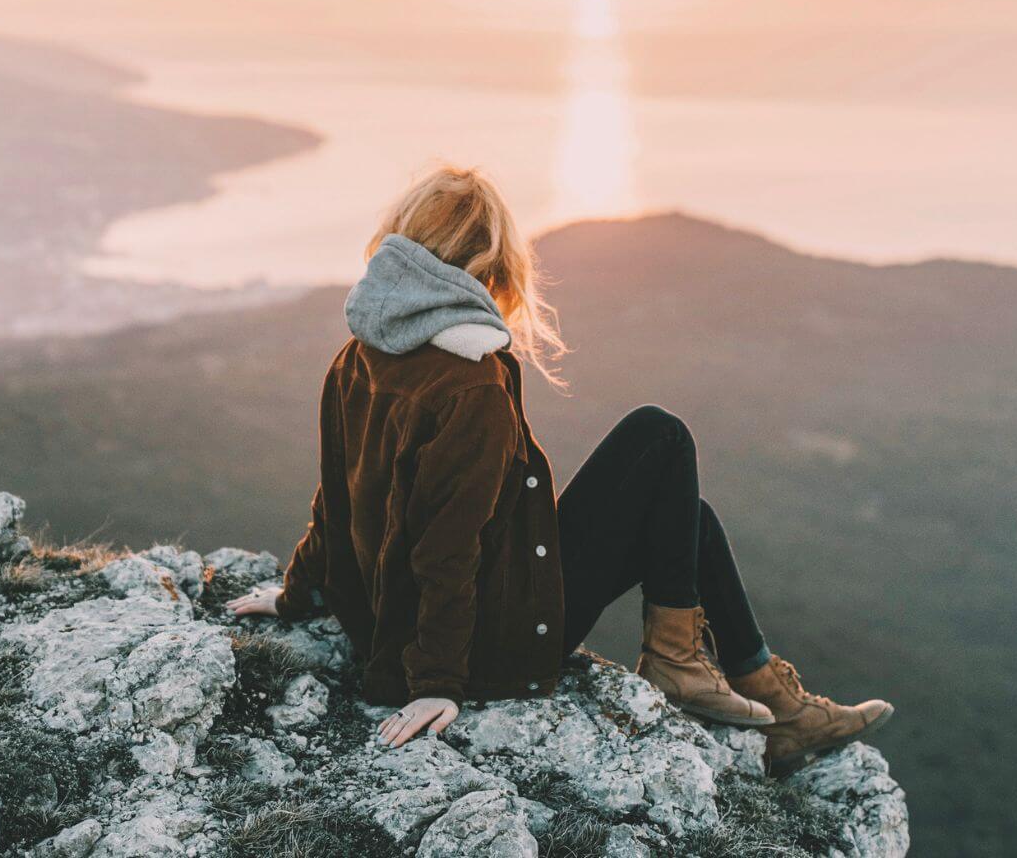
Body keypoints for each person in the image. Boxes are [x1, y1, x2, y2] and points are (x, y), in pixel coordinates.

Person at [229, 165, 891, 777]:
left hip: (409, 618)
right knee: (658, 436)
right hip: (491, 642)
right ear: (488, 265)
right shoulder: (470, 383)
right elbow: (446, 547)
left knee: (686, 517)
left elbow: (337, 497)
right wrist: (436, 681)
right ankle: (679, 664)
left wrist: (298, 591)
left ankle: (777, 708)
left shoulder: (358, 353)